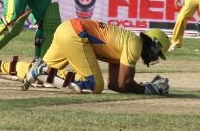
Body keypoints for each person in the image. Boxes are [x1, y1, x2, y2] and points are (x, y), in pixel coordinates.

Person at [20, 19, 171, 95]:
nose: (155, 57)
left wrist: (140, 86)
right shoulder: (134, 46)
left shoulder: (127, 43)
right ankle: (43, 70)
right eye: (158, 53)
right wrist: (147, 89)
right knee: (94, 85)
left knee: (36, 75)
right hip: (76, 33)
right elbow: (125, 83)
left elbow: (115, 85)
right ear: (154, 44)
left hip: (67, 28)